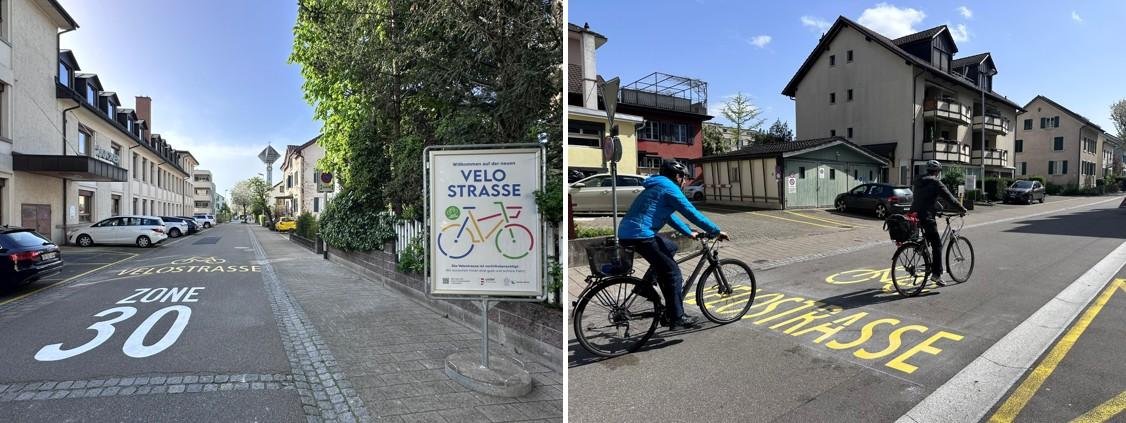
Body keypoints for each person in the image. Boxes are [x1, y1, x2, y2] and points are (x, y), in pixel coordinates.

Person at [618, 159, 728, 329]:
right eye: (684, 177)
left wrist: (688, 232)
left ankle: (646, 286)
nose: (684, 181)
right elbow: (692, 213)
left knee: (670, 247)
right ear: (677, 176)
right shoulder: (670, 188)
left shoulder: (657, 186)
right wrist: (716, 231)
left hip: (629, 232)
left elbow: (669, 216)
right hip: (641, 235)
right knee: (673, 273)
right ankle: (676, 317)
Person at [910, 160, 968, 286]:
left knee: (928, 240)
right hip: (927, 217)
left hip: (914, 215)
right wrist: (961, 208)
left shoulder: (919, 181)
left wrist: (938, 208)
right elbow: (950, 198)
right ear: (937, 172)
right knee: (937, 246)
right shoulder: (936, 182)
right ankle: (937, 275)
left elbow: (925, 198)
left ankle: (921, 250)